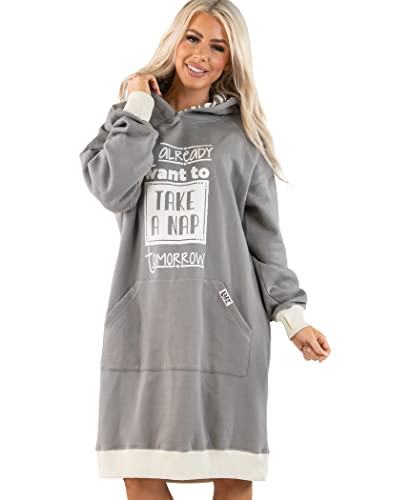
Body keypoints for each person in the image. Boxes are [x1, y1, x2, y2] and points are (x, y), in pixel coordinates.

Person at [79, 0, 332, 498]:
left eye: (218, 47)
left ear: (230, 61)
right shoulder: (130, 119)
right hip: (146, 329)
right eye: (193, 38)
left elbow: (264, 240)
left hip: (225, 329)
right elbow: (111, 189)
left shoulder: (240, 136)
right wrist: (139, 109)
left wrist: (293, 318)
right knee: (139, 470)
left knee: (233, 472)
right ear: (174, 40)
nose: (201, 55)